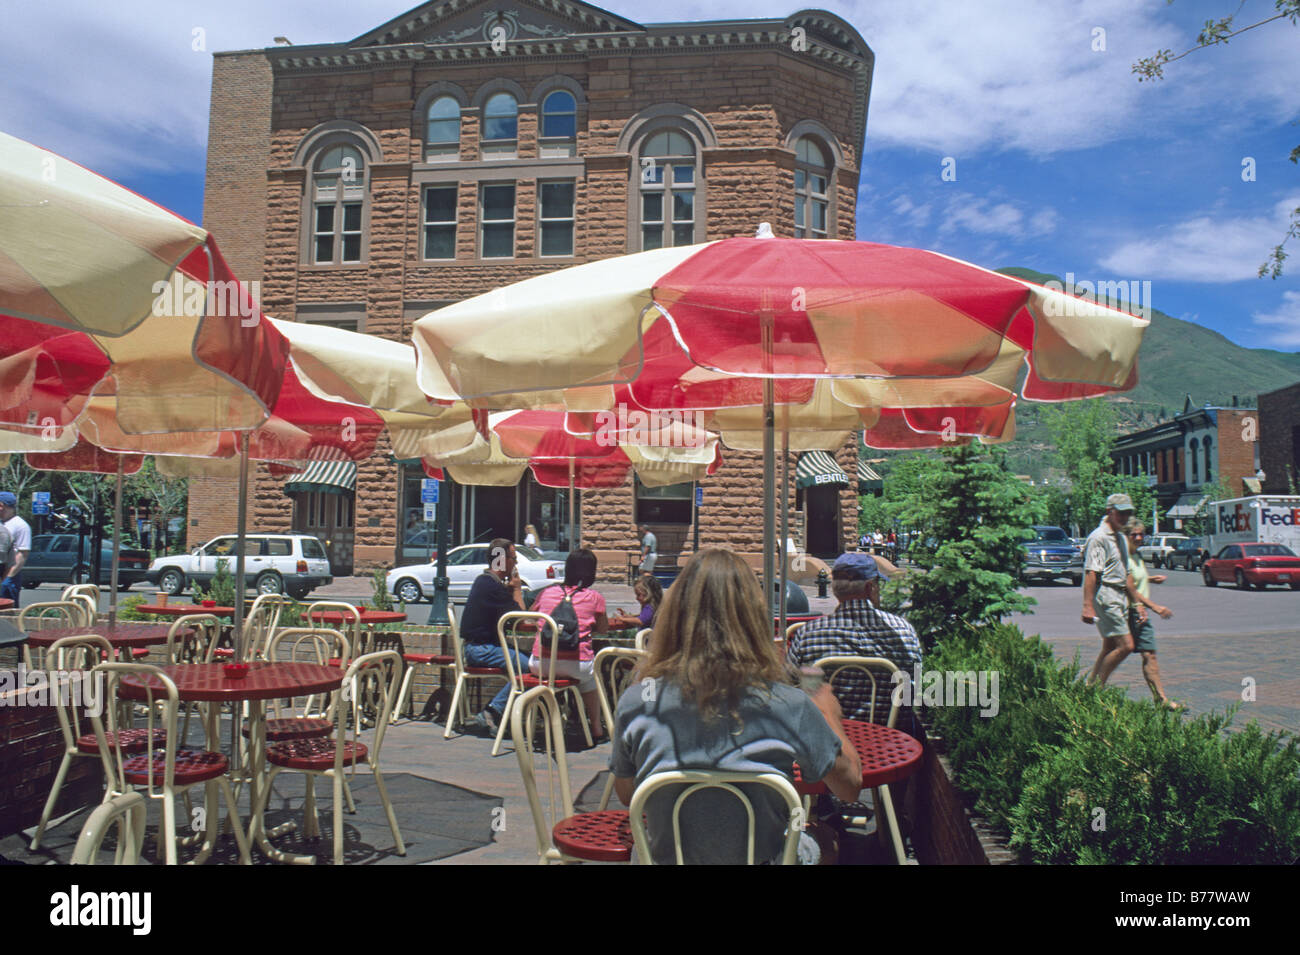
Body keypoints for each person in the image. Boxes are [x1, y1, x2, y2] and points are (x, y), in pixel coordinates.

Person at [610, 547, 862, 865]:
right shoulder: (789, 704)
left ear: (675, 615)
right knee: (825, 838)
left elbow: (627, 793)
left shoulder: (638, 700)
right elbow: (850, 786)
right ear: (754, 617)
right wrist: (827, 711)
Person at [787, 552, 923, 737]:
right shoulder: (903, 631)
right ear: (870, 587)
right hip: (889, 742)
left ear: (834, 589)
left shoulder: (807, 634)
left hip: (827, 742)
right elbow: (911, 690)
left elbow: (789, 689)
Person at [1082, 494, 1171, 687]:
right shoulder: (1099, 538)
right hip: (1106, 595)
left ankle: (1089, 688)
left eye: (1128, 513)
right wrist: (1087, 606)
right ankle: (1095, 689)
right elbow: (1091, 573)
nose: (1124, 517)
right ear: (1109, 512)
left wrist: (1137, 604)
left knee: (1110, 645)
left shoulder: (1121, 538)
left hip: (1120, 596)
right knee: (1126, 645)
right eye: (1120, 513)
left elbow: (1127, 575)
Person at [528, 549, 608, 739]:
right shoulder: (594, 597)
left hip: (541, 665)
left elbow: (530, 617)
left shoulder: (547, 592)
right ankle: (595, 727)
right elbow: (603, 629)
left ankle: (548, 721)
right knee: (589, 679)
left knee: (560, 674)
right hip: (576, 664)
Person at [460, 538, 528, 735]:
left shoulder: (486, 582)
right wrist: (516, 589)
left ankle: (502, 712)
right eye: (514, 558)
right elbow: (521, 620)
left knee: (530, 663)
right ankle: (492, 711)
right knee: (533, 668)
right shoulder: (493, 587)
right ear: (501, 559)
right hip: (481, 650)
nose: (515, 563)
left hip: (478, 646)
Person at [1124, 519, 1183, 710]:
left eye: (1142, 534)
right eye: (1134, 534)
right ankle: (1092, 688)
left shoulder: (1137, 555)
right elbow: (1129, 586)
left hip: (1138, 610)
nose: (1139, 538)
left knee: (1149, 655)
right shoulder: (1124, 557)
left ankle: (1161, 699)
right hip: (1131, 611)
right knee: (1116, 652)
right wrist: (1155, 607)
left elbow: (1134, 580)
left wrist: (1150, 579)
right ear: (1125, 535)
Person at [1, 492, 31, 607]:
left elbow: (22, 554)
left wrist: (8, 577)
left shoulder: (21, 526)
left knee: (6, 613)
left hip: (8, 575)